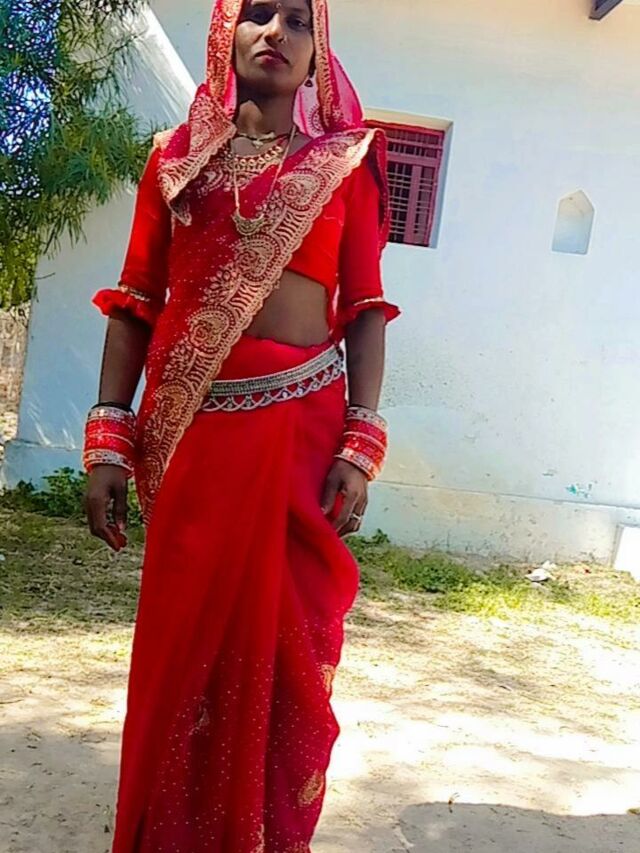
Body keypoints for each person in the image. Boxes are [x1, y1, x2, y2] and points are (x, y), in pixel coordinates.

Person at [83, 0, 400, 849]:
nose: (276, 33)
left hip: (301, 436)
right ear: (227, 32)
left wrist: (361, 439)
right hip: (194, 441)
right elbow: (136, 301)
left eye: (297, 20)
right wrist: (108, 435)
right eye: (258, 13)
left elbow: (366, 308)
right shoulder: (173, 162)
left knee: (287, 652)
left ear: (317, 49)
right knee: (181, 649)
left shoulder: (345, 163)